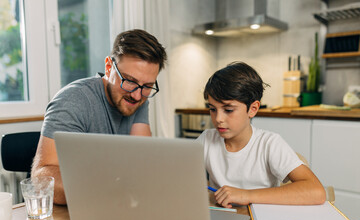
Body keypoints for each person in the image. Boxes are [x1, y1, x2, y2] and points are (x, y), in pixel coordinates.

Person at [31, 29, 167, 205]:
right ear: (109, 67)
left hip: (117, 206)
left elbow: (142, 161)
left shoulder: (138, 98)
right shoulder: (73, 100)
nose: (136, 95)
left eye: (147, 86)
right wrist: (105, 190)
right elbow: (41, 178)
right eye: (130, 81)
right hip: (73, 212)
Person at [197, 62, 326, 208]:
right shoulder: (206, 139)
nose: (218, 118)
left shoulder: (269, 144)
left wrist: (246, 195)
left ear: (253, 109)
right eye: (213, 109)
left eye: (228, 110)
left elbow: (316, 191)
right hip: (223, 217)